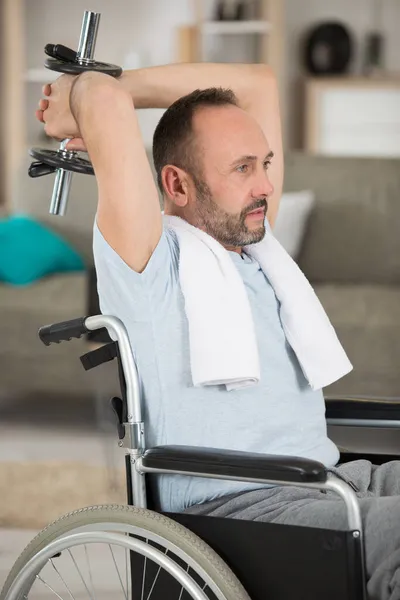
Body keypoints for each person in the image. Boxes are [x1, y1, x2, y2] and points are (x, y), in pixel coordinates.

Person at [37, 62, 400, 600]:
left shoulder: (257, 248)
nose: (266, 185)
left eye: (266, 164)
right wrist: (84, 96)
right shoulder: (150, 263)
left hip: (333, 485)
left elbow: (259, 84)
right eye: (243, 168)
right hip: (247, 510)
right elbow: (106, 104)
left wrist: (104, 87)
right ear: (177, 184)